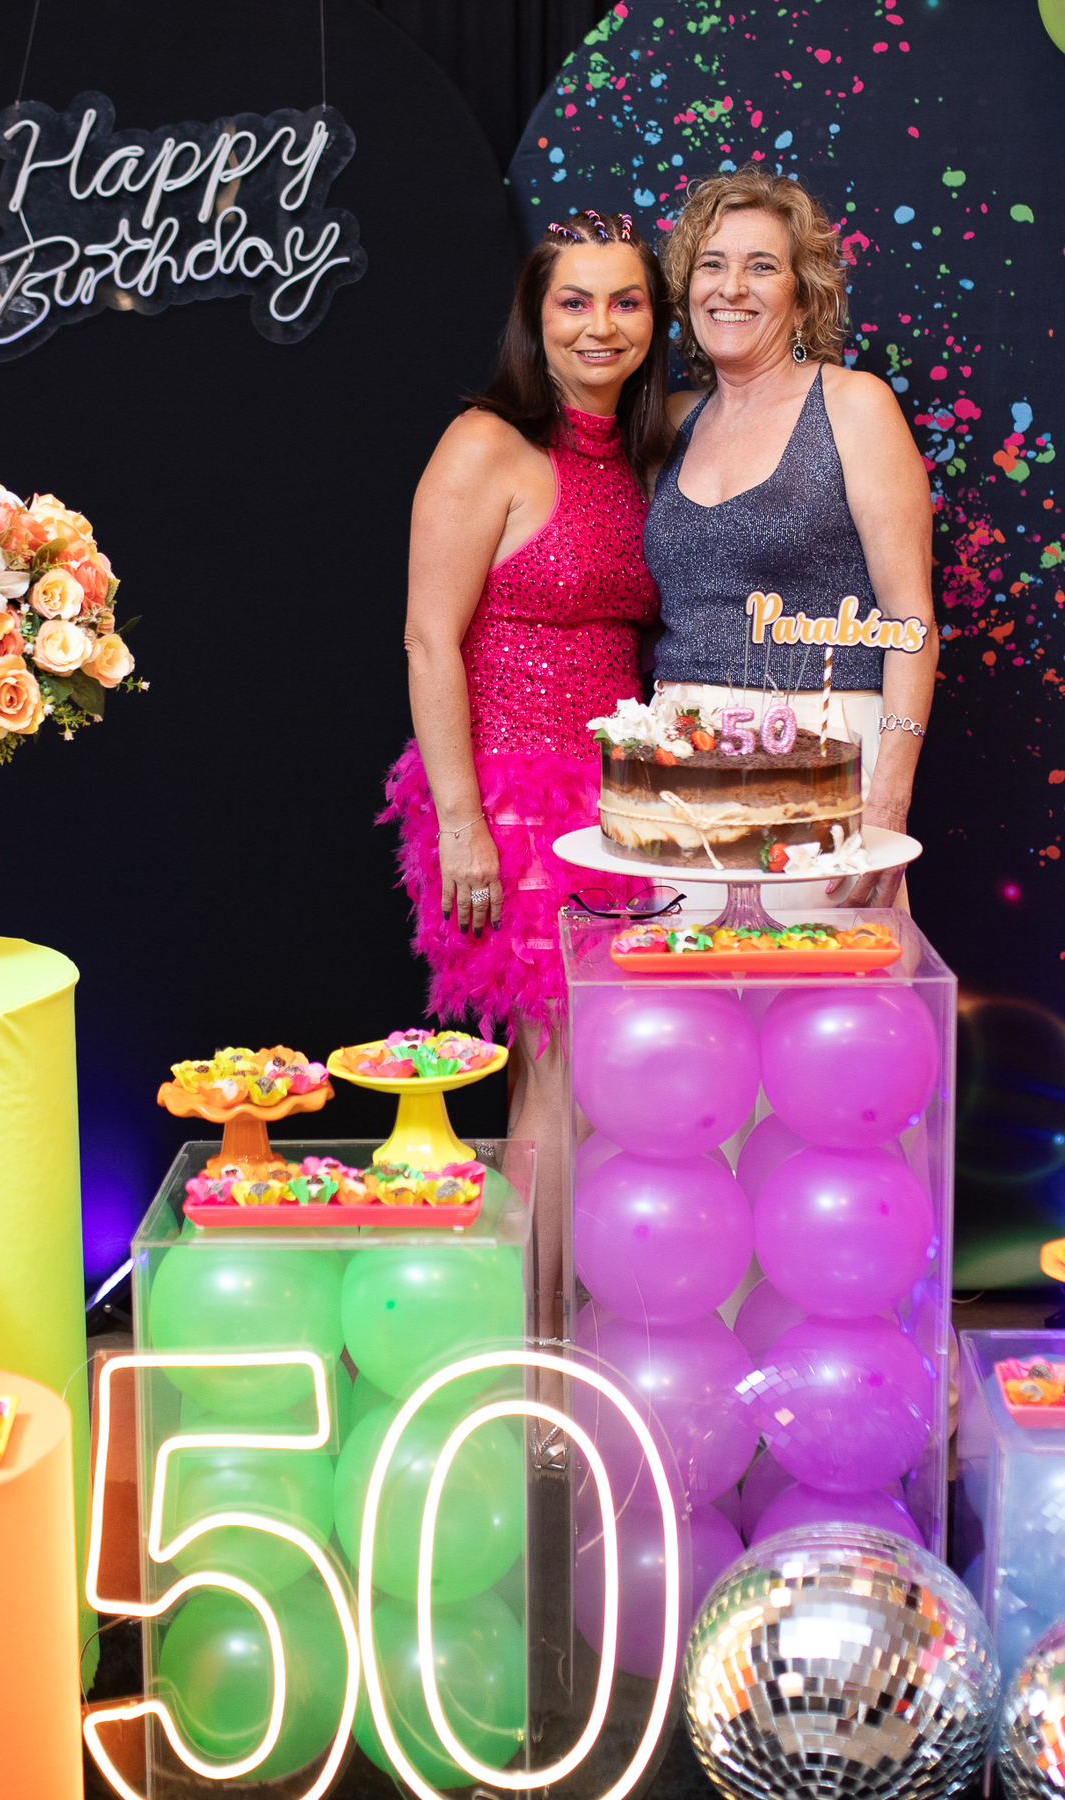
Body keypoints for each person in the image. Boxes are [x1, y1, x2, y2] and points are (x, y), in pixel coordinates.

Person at [382, 209, 673, 1341]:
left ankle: (592, 1319)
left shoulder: (644, 452)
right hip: (512, 797)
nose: (602, 325)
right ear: (535, 318)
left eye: (626, 301)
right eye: (574, 301)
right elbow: (427, 640)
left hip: (625, 803)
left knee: (618, 1076)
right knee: (554, 1075)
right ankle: (542, 1343)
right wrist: (462, 823)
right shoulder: (486, 444)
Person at [646, 164, 937, 910]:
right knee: (684, 977)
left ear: (803, 295)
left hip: (823, 753)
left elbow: (912, 621)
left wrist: (889, 797)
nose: (731, 287)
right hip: (679, 764)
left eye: (762, 267)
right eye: (711, 264)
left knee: (818, 976)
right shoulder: (672, 421)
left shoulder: (855, 406)